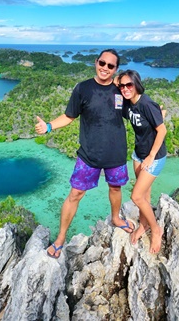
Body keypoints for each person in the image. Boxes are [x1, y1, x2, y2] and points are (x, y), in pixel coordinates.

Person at [35, 49, 135, 259]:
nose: (105, 68)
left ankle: (116, 218)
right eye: (102, 63)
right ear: (95, 62)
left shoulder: (120, 89)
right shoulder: (83, 89)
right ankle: (61, 237)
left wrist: (155, 115)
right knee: (75, 194)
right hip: (88, 154)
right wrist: (49, 126)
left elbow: (137, 104)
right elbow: (69, 116)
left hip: (116, 153)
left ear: (116, 70)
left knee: (115, 188)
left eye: (110, 66)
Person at [117, 69, 167, 254]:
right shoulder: (128, 105)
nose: (125, 88)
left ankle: (156, 230)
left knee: (136, 196)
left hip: (153, 157)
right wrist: (117, 82)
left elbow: (162, 131)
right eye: (122, 85)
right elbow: (114, 92)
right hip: (138, 155)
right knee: (144, 194)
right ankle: (143, 225)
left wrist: (151, 155)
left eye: (129, 84)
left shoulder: (146, 103)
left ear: (137, 84)